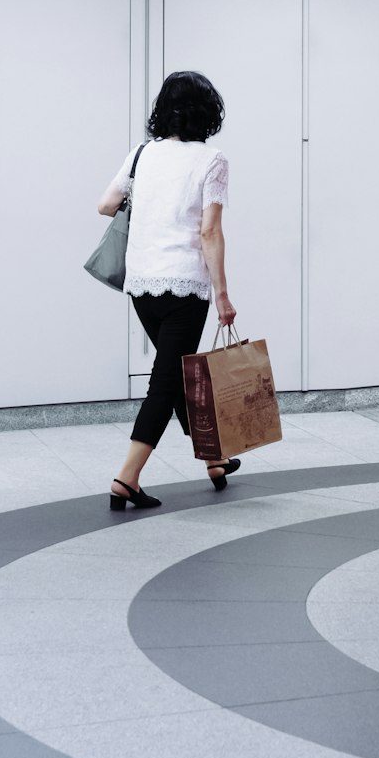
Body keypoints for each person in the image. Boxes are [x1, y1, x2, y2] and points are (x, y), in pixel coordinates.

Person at [97, 69, 237, 511]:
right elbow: (210, 232)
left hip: (140, 283)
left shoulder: (141, 154)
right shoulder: (211, 160)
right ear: (207, 112)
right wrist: (223, 297)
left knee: (175, 375)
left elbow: (105, 205)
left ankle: (214, 458)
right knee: (166, 380)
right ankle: (127, 477)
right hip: (185, 286)